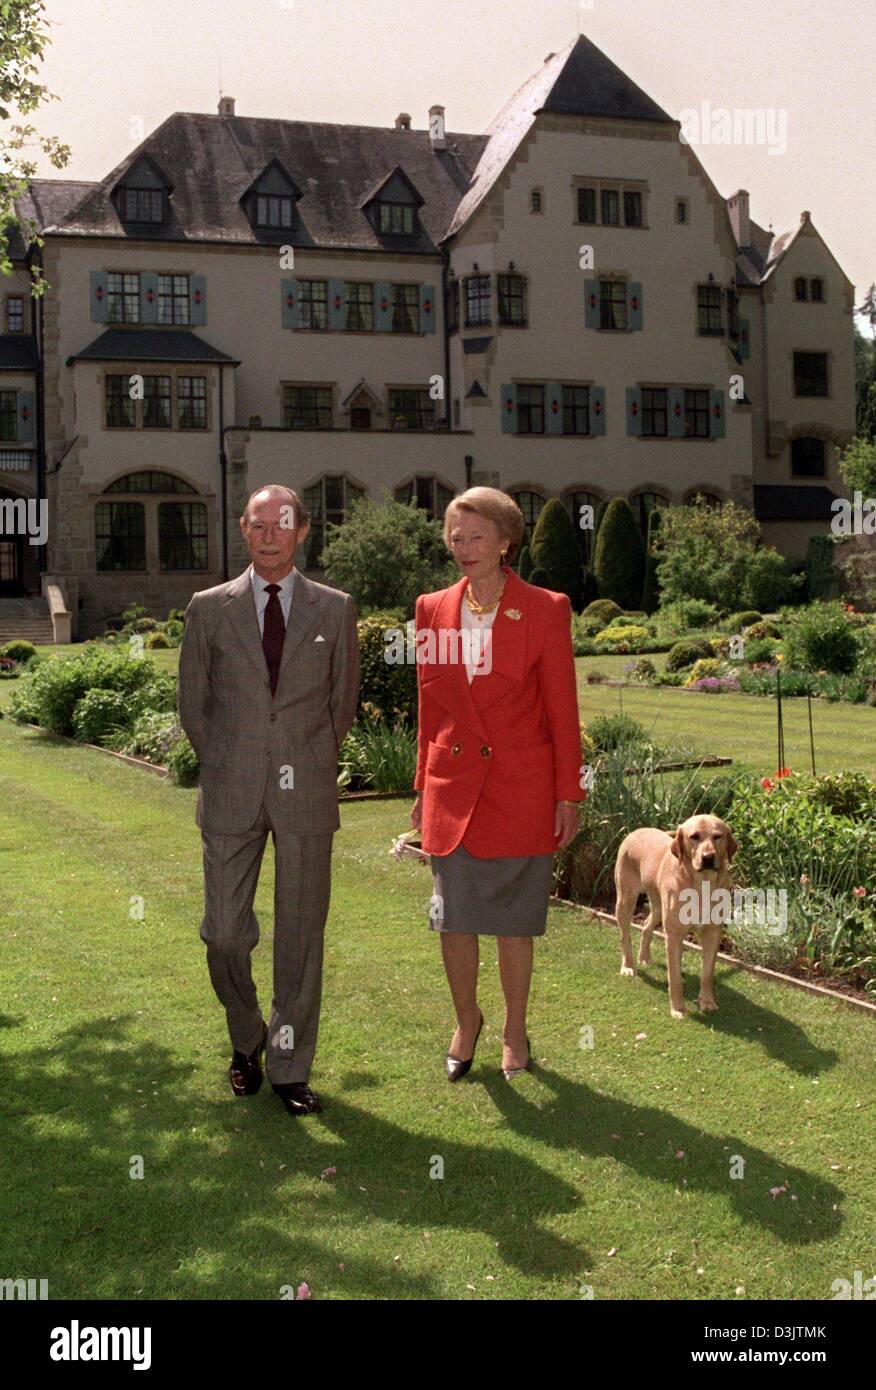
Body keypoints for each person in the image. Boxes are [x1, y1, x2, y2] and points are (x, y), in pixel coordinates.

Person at [178, 484, 360, 1116]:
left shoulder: (335, 610)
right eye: (258, 525)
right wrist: (233, 758)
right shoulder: (207, 608)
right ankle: (247, 1033)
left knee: (301, 934)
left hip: (305, 788)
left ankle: (287, 1064)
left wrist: (302, 758)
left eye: (282, 524)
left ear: (302, 531)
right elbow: (193, 707)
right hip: (230, 788)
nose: (270, 535)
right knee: (224, 933)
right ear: (244, 530)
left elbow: (342, 707)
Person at [411, 487, 583, 1081]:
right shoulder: (431, 608)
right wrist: (420, 786)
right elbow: (430, 706)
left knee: (513, 921)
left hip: (520, 789)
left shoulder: (545, 608)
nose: (464, 548)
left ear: (507, 540)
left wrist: (568, 794)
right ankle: (467, 1021)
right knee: (451, 918)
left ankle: (514, 1028)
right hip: (451, 788)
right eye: (455, 538)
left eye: (477, 536)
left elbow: (563, 709)